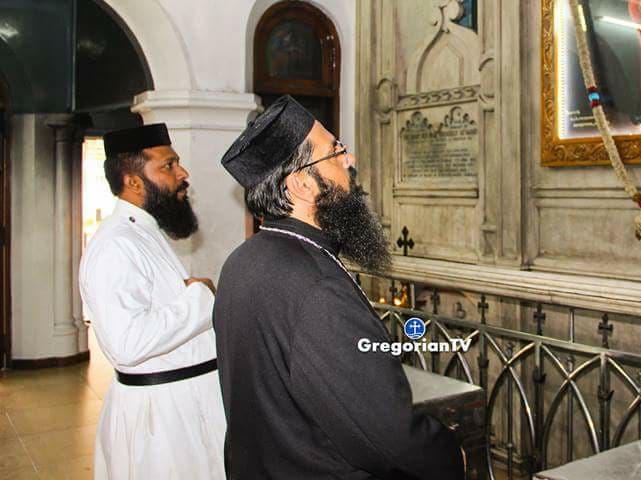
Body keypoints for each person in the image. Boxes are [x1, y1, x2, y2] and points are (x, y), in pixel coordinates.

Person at [215, 95, 464, 479]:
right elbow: (385, 434)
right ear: (299, 184)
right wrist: (449, 456)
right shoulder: (317, 287)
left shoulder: (241, 261)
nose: (350, 160)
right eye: (335, 151)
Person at [79, 123, 225, 479]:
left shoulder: (143, 231)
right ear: (133, 181)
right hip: (160, 421)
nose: (183, 173)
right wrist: (200, 296)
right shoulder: (115, 245)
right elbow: (127, 344)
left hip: (182, 406)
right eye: (168, 165)